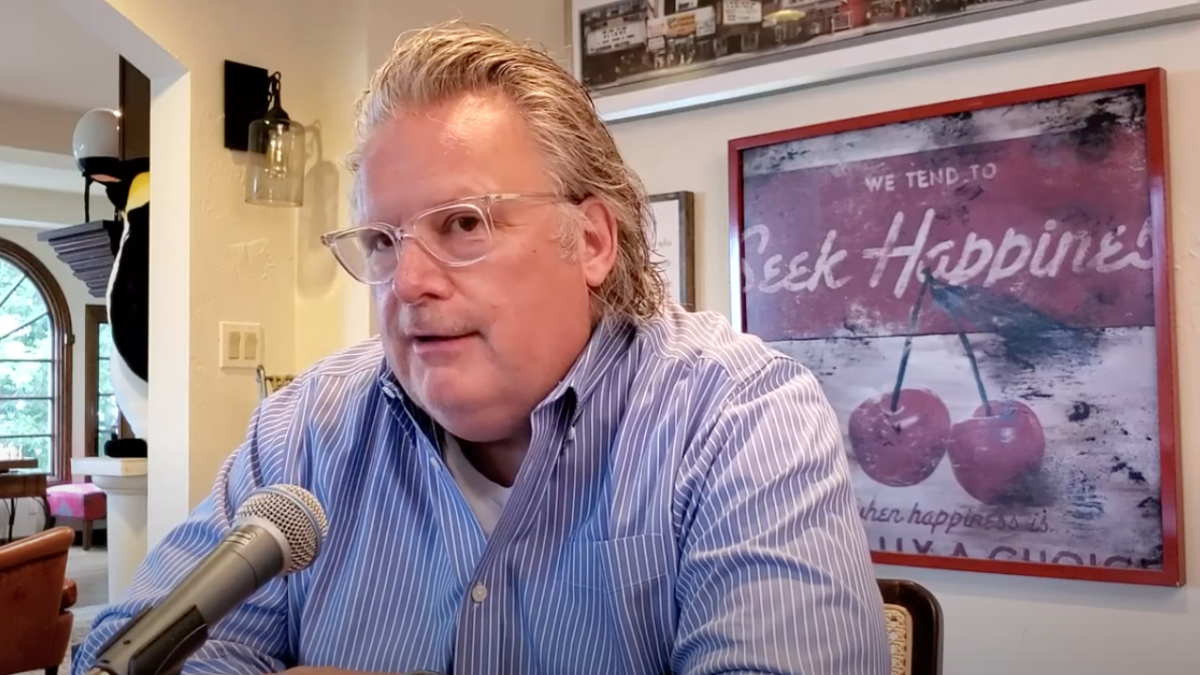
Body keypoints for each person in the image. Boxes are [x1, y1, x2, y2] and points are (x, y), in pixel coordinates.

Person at [73, 20, 890, 675]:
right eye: (383, 241)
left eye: (464, 224)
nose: (408, 282)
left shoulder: (741, 418)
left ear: (591, 239)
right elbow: (130, 651)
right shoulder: (304, 431)